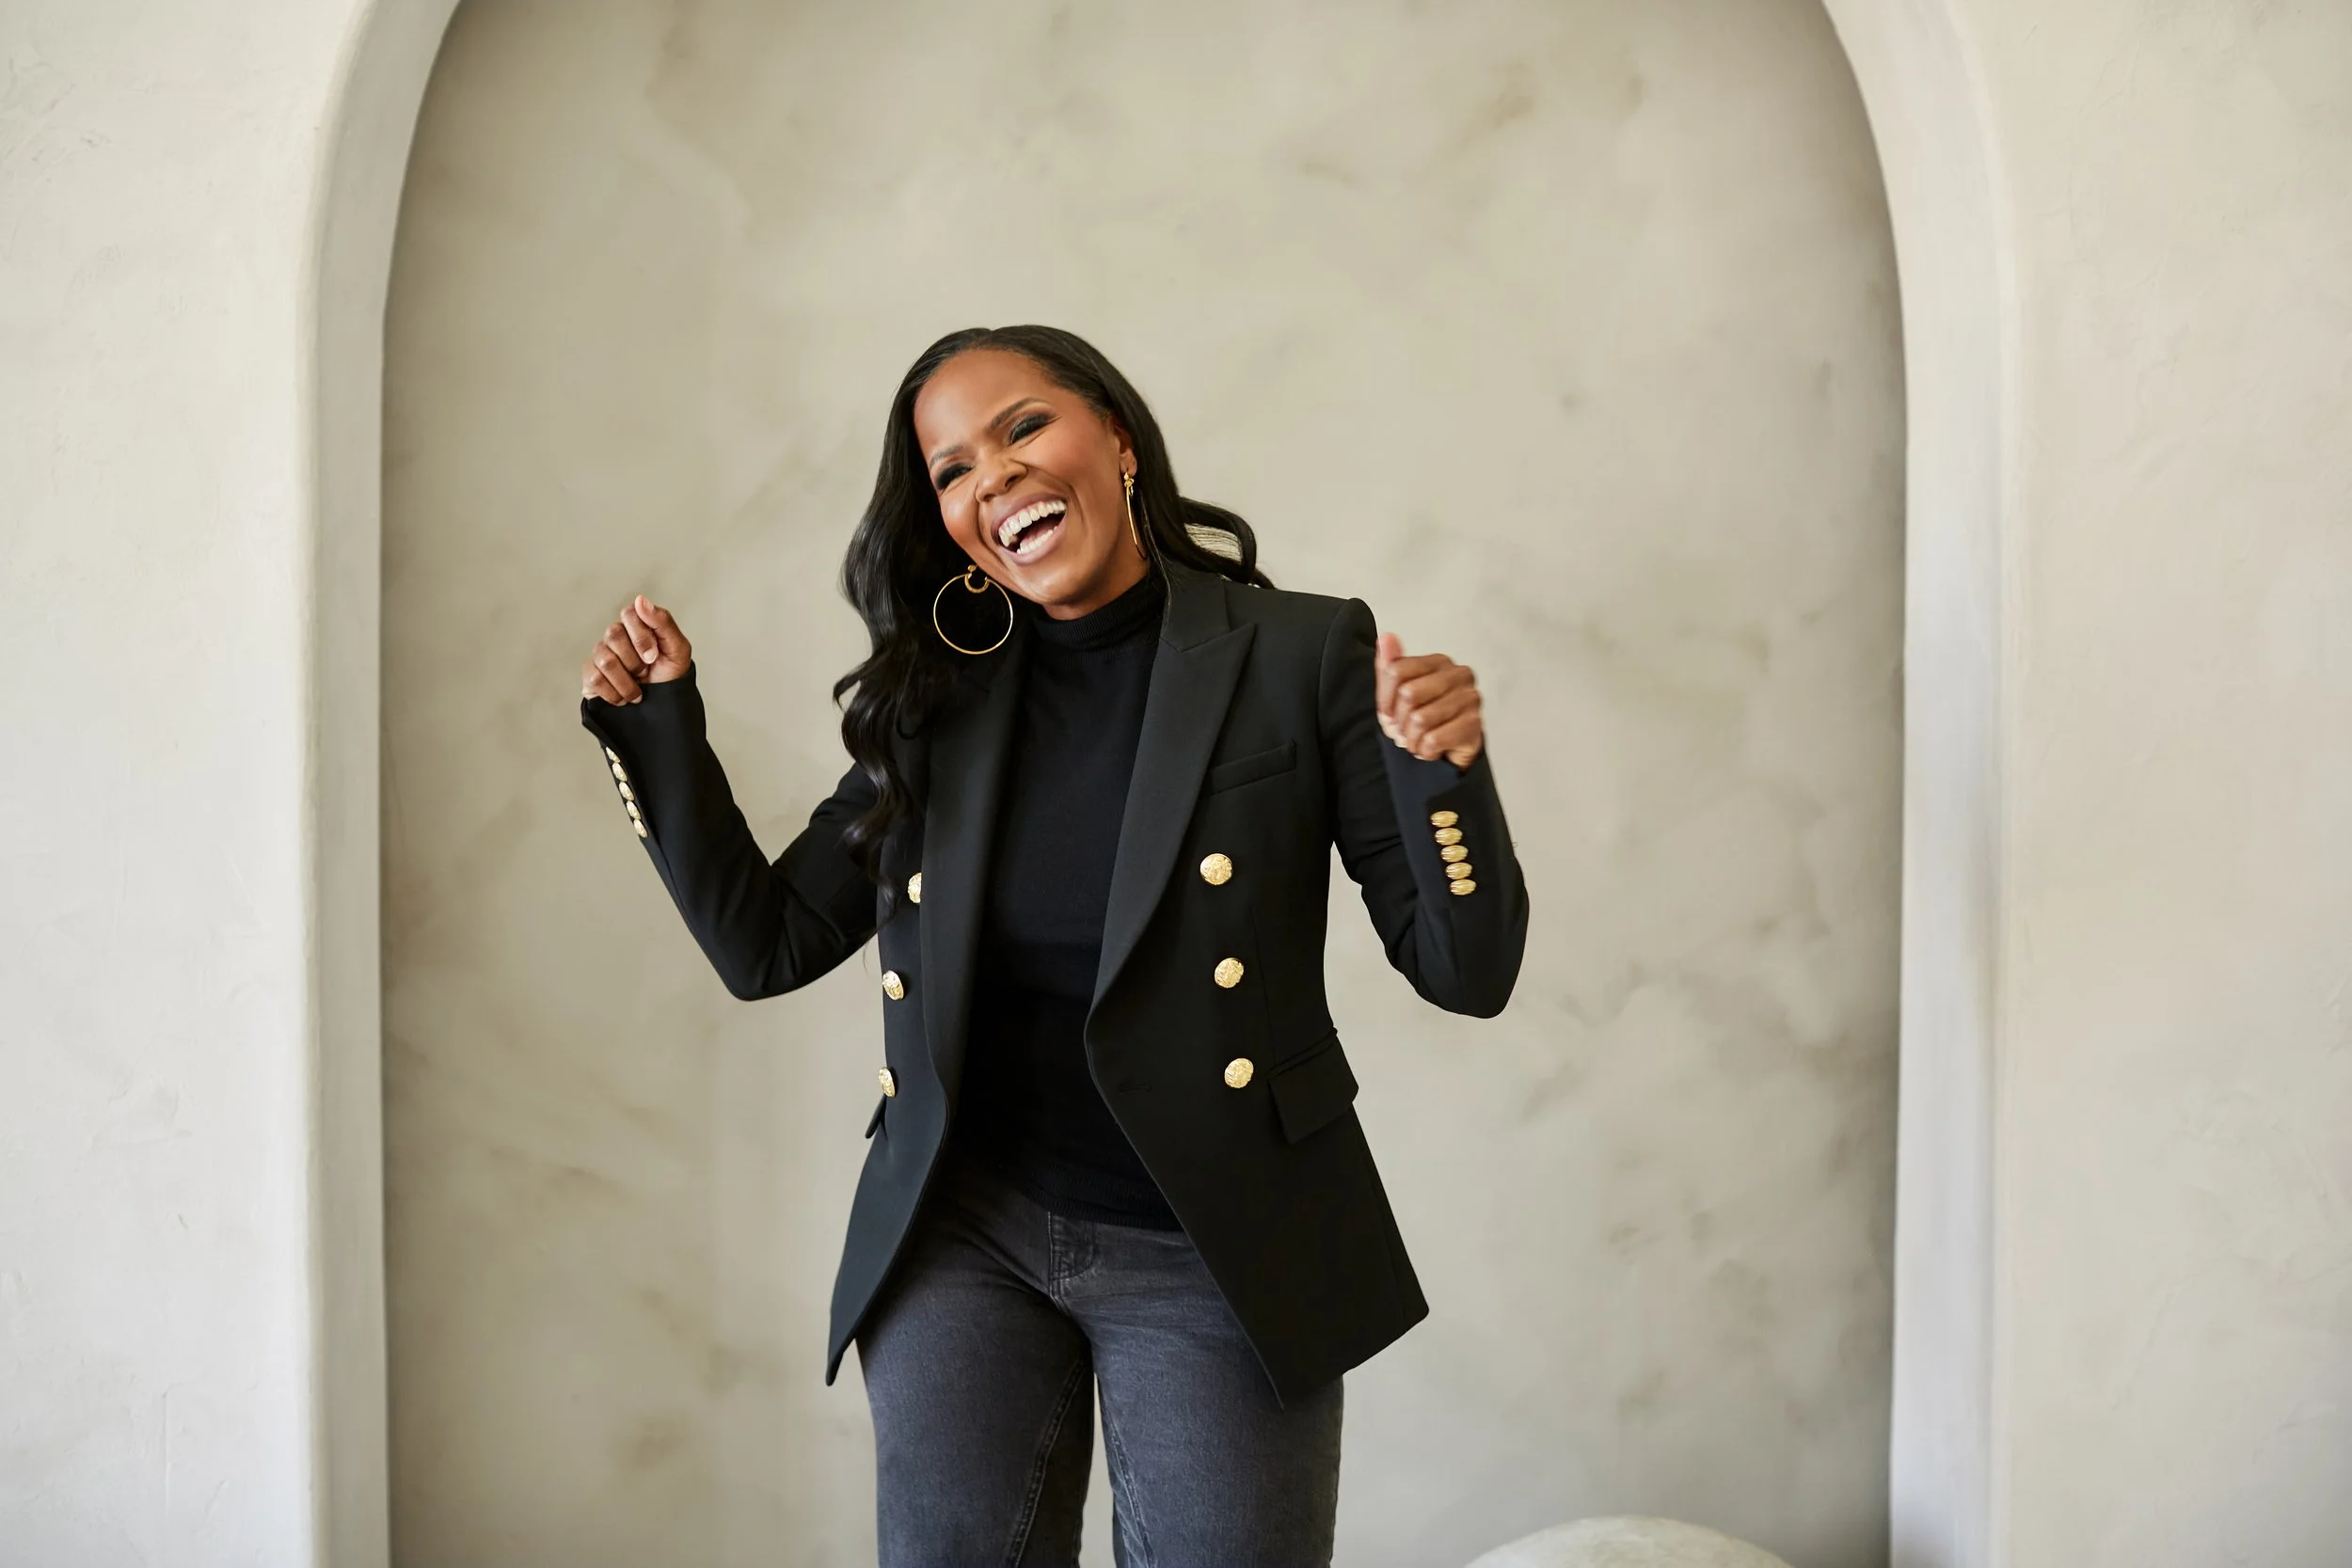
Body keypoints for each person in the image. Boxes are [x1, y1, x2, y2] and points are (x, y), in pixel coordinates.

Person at [577, 325, 1528, 1566]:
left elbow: (1466, 970)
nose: (996, 478)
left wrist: (1441, 778)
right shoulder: (941, 696)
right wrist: (657, 732)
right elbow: (772, 939)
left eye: (1025, 427)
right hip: (963, 1235)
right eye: (953, 468)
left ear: (1116, 438)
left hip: (1216, 1243)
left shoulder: (1301, 652)